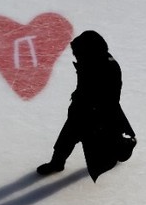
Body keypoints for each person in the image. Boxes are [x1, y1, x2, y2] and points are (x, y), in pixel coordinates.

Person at [36, 30, 135, 181]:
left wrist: (95, 110)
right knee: (65, 138)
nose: (75, 55)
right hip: (81, 109)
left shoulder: (109, 67)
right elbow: (84, 85)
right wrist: (77, 98)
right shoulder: (87, 61)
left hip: (101, 113)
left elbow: (112, 97)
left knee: (108, 140)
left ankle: (124, 148)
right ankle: (57, 163)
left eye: (77, 52)